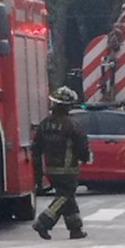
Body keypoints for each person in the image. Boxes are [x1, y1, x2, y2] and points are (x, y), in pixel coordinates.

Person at [32, 87, 91, 240]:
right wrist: (85, 158)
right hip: (68, 169)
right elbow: (82, 146)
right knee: (64, 197)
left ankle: (75, 229)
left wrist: (38, 176)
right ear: (68, 106)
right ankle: (43, 222)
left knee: (68, 198)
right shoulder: (72, 124)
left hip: (51, 169)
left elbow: (36, 149)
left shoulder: (44, 124)